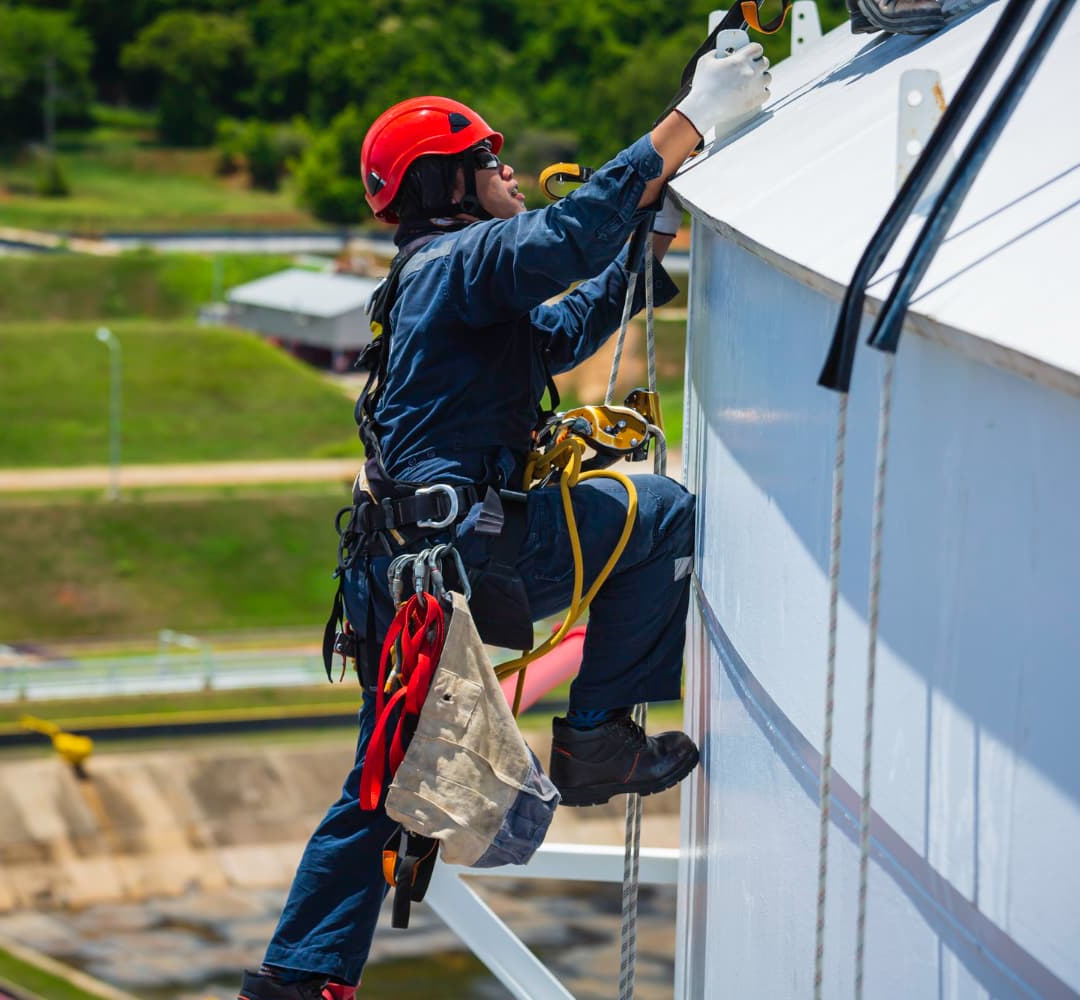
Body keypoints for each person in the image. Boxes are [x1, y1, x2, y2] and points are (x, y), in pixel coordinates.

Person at [237, 40, 773, 1000]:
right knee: (659, 513)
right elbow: (561, 241)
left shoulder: (439, 280)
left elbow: (559, 330)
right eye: (489, 160)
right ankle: (600, 734)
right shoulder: (458, 263)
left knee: (382, 788)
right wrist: (683, 128)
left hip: (408, 570)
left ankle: (300, 981)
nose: (508, 171)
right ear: (448, 184)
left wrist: (644, 250)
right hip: (452, 561)